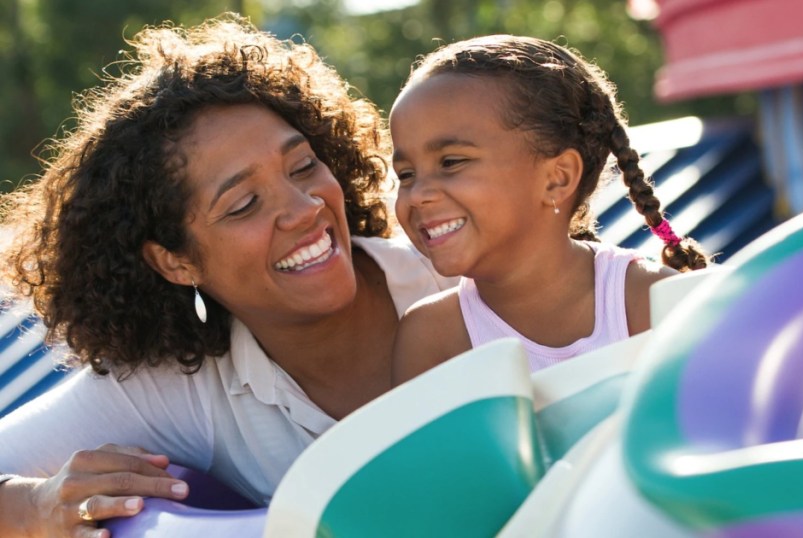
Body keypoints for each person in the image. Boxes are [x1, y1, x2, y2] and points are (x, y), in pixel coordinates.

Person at [0, 14, 455, 536]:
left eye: (304, 166)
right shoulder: (189, 389)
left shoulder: (458, 276)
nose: (304, 209)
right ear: (176, 261)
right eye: (244, 204)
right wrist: (35, 507)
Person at [389, 35, 710, 383]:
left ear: (557, 178)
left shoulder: (649, 300)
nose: (417, 194)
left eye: (450, 162)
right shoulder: (432, 340)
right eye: (406, 174)